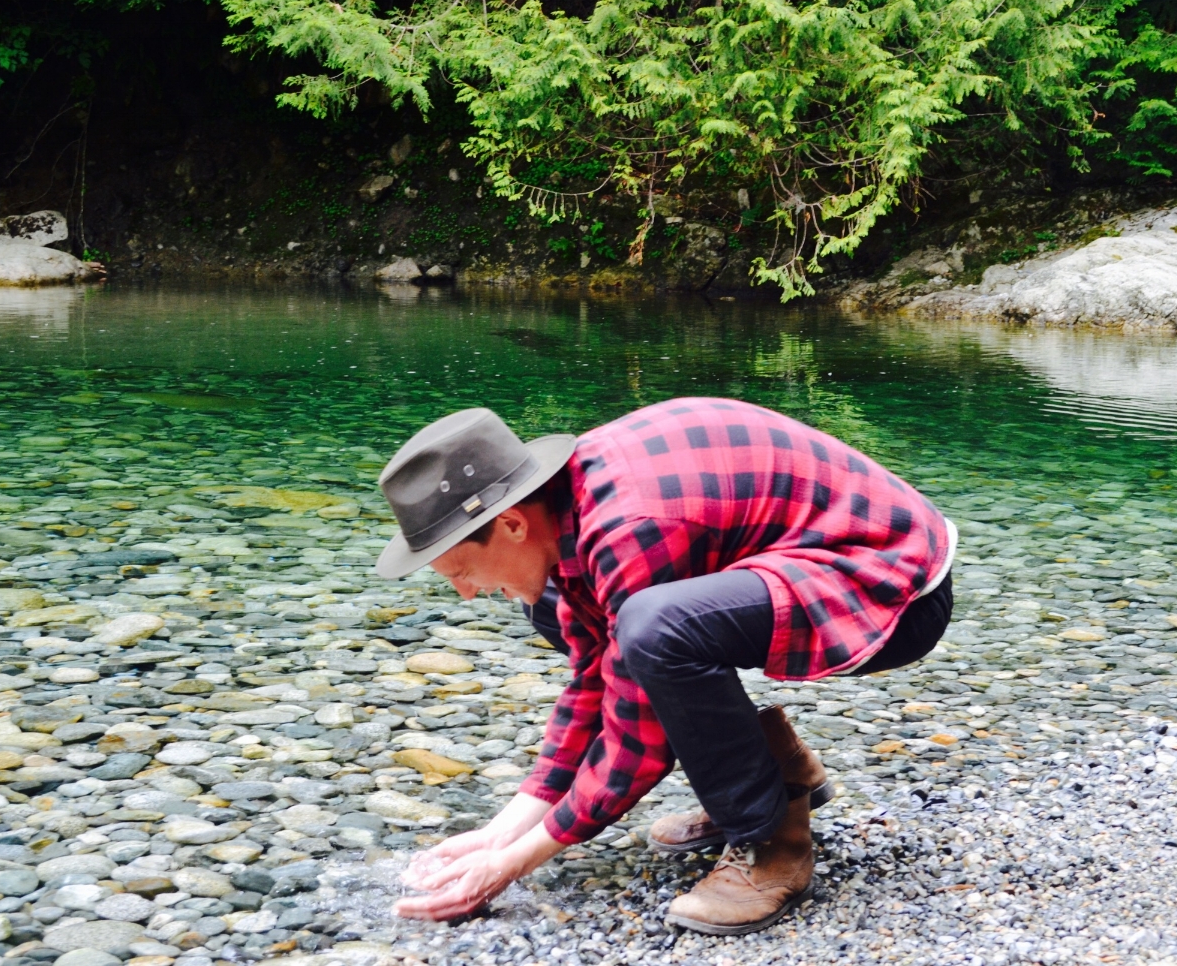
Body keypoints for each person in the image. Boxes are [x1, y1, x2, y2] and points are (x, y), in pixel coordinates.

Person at [372, 397, 955, 935]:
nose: (467, 594)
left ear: (512, 523)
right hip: (817, 561)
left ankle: (770, 842)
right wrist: (503, 829)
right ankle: (777, 770)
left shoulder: (628, 527)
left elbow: (637, 738)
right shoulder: (565, 510)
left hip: (893, 590)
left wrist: (510, 865)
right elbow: (595, 681)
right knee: (559, 608)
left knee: (656, 631)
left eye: (458, 573)